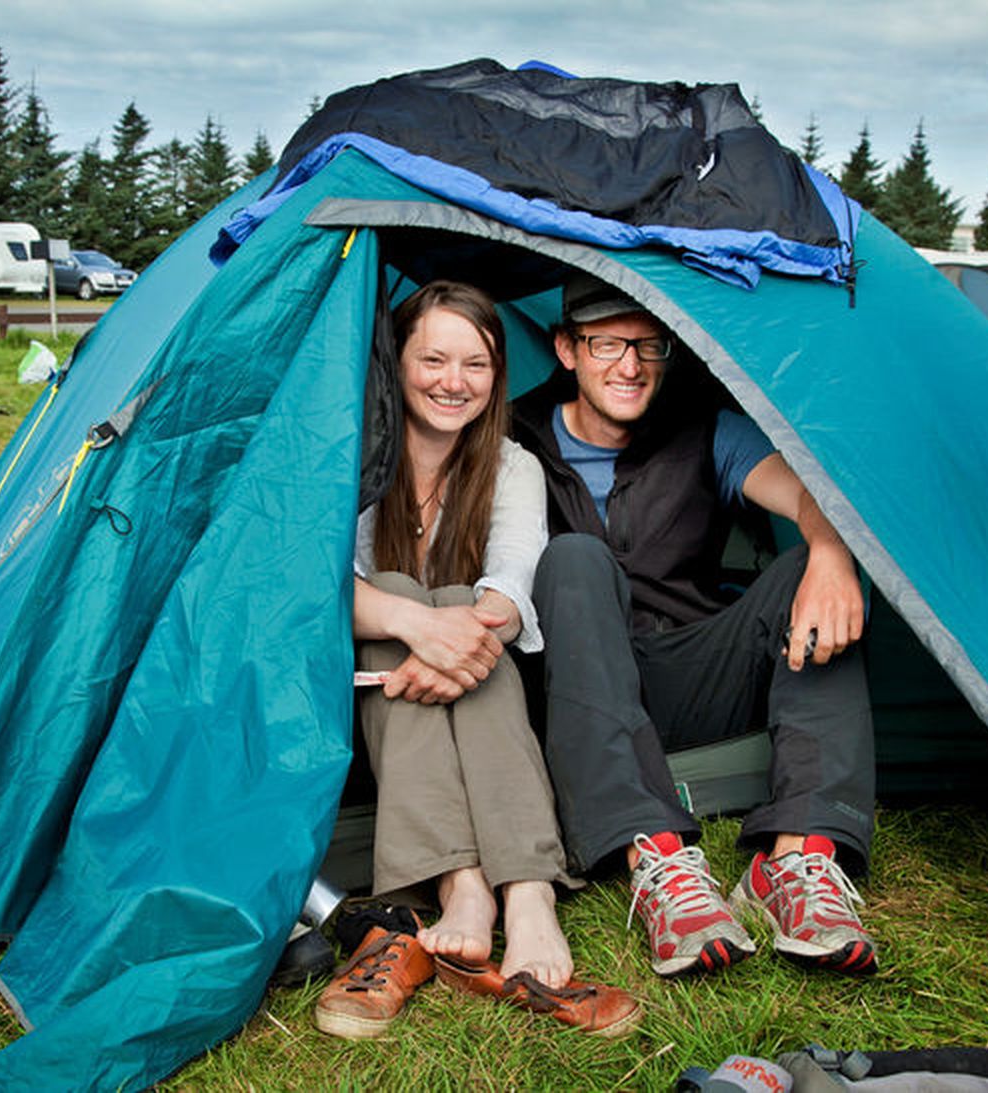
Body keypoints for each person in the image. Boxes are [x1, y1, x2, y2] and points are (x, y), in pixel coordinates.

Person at [511, 273, 878, 981]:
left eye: (648, 346)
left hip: (691, 666)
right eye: (608, 343)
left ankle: (800, 862)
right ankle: (659, 863)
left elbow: (804, 495)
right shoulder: (510, 436)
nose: (630, 365)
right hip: (570, 688)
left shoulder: (703, 424)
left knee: (810, 566)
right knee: (574, 557)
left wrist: (832, 555)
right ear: (566, 349)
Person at [314, 281, 638, 1041]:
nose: (453, 382)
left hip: (484, 689)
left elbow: (513, 581)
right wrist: (412, 624)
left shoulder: (512, 465)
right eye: (432, 358)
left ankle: (524, 893)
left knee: (465, 595)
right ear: (396, 363)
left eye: (476, 364)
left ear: (498, 376)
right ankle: (466, 882)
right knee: (394, 589)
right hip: (374, 686)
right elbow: (313, 579)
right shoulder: (353, 454)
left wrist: (455, 632)